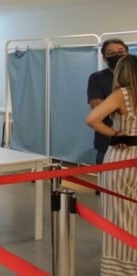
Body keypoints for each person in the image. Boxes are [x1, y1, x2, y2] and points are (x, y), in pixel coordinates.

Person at [86, 54, 137, 275]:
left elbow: (91, 119)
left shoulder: (122, 94)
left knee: (119, 214)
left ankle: (121, 268)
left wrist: (115, 133)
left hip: (122, 159)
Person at [87, 38, 128, 164]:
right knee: (109, 176)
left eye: (120, 52)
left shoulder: (133, 78)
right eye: (111, 53)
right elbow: (97, 111)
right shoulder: (97, 78)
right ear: (105, 58)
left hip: (133, 140)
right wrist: (115, 134)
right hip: (108, 142)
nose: (117, 56)